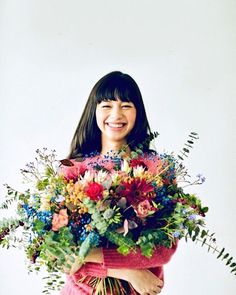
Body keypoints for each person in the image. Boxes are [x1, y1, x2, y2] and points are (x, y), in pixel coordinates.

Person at [60, 71, 178, 295]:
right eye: (106, 105)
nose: (116, 114)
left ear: (138, 112)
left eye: (126, 105)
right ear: (93, 111)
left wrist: (90, 254)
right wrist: (128, 272)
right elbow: (63, 256)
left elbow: (164, 248)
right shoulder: (73, 169)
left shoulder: (157, 169)